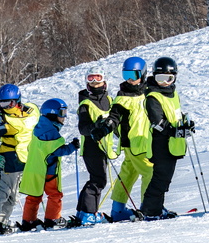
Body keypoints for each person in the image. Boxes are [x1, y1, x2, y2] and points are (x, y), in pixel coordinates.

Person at [0, 83, 41, 234]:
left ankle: (1, 222)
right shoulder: (2, 119)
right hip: (9, 158)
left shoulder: (31, 111)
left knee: (13, 195)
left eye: (9, 102)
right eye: (2, 103)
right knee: (3, 191)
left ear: (17, 100)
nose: (6, 106)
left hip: (26, 158)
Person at [141, 56, 192, 219]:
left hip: (173, 144)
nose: (164, 82)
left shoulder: (172, 93)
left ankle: (157, 207)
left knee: (165, 179)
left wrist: (185, 125)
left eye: (168, 78)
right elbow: (158, 122)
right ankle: (150, 210)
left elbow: (175, 114)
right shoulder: (152, 97)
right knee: (160, 179)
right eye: (160, 78)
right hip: (160, 143)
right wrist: (174, 131)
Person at [19, 98, 80, 231]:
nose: (64, 117)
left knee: (34, 196)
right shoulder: (50, 132)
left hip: (33, 169)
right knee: (55, 194)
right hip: (49, 170)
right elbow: (58, 151)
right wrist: (72, 147)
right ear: (53, 114)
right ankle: (53, 218)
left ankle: (28, 220)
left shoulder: (39, 127)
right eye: (62, 113)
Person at [110, 56, 153, 221]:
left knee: (128, 174)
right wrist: (108, 126)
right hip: (135, 144)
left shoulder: (150, 92)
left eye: (133, 75)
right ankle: (149, 208)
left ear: (142, 74)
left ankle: (118, 209)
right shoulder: (122, 97)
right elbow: (114, 117)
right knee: (150, 172)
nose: (129, 79)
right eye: (126, 74)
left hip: (143, 143)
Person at [75, 71, 120, 226]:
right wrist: (95, 127)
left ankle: (83, 212)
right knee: (98, 180)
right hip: (92, 147)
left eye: (98, 79)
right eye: (91, 79)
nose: (94, 82)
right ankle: (88, 213)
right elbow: (83, 128)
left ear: (104, 81)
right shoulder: (85, 103)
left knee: (98, 178)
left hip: (104, 146)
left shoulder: (108, 99)